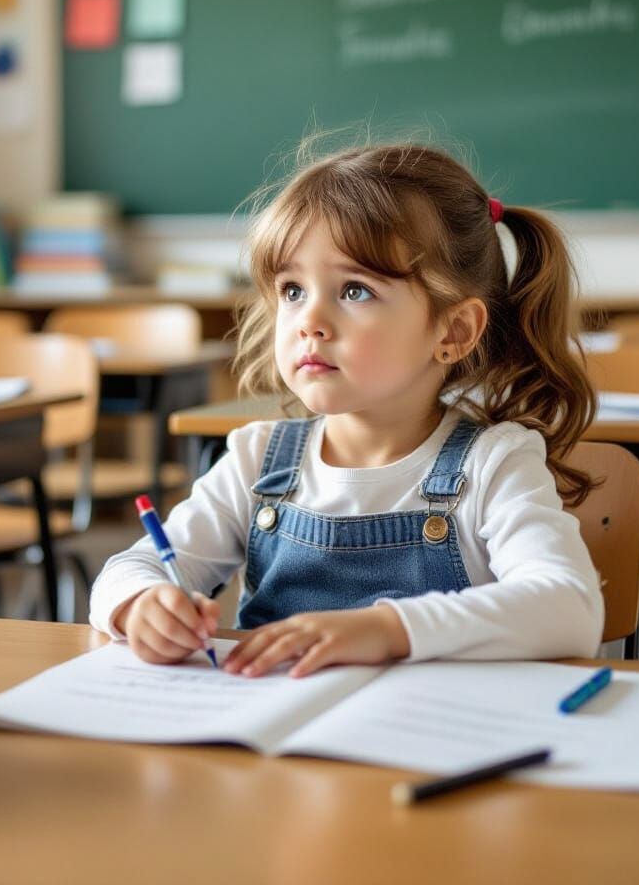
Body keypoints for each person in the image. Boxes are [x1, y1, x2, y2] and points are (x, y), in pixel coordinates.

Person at [89, 141, 604, 677]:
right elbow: (130, 567)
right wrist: (140, 604)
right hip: (271, 743)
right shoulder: (258, 458)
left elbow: (570, 606)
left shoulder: (493, 464)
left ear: (453, 331)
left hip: (430, 738)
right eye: (292, 290)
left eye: (355, 290)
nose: (309, 320)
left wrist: (384, 630)